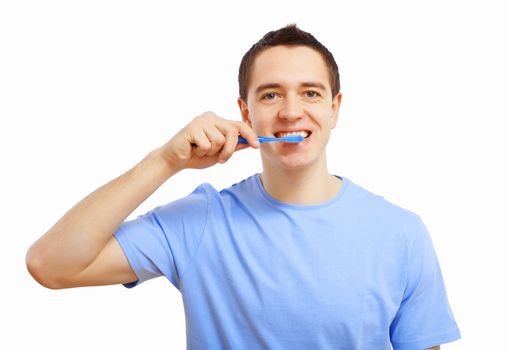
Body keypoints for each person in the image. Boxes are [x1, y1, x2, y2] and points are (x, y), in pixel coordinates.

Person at [26, 24, 461, 349]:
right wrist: (166, 161)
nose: (292, 112)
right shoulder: (199, 222)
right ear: (245, 113)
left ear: (335, 108)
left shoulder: (401, 233)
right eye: (271, 95)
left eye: (310, 93)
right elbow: (51, 264)